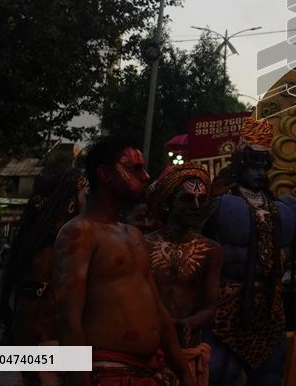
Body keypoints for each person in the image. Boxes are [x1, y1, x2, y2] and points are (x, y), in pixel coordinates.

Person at [53, 138, 193, 386]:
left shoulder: (133, 235)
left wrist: (182, 369)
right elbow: (68, 318)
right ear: (105, 174)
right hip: (107, 373)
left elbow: (158, 309)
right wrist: (79, 378)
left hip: (148, 373)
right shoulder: (80, 232)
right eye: (135, 169)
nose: (147, 176)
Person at [202, 117, 296, 386]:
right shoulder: (221, 201)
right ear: (240, 166)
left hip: (269, 307)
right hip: (228, 304)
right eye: (253, 166)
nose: (260, 173)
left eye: (264, 166)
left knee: (271, 374)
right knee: (219, 372)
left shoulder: (282, 205)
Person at [0, 167, 87, 386]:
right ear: (69, 205)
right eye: (87, 195)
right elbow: (31, 322)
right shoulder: (49, 254)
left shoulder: (61, 247)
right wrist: (37, 373)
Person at [145, 163, 223, 386]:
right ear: (169, 203)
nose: (196, 206)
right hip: (148, 350)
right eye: (187, 198)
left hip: (187, 351)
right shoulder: (143, 245)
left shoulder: (211, 251)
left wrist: (188, 323)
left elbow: (211, 306)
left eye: (202, 199)